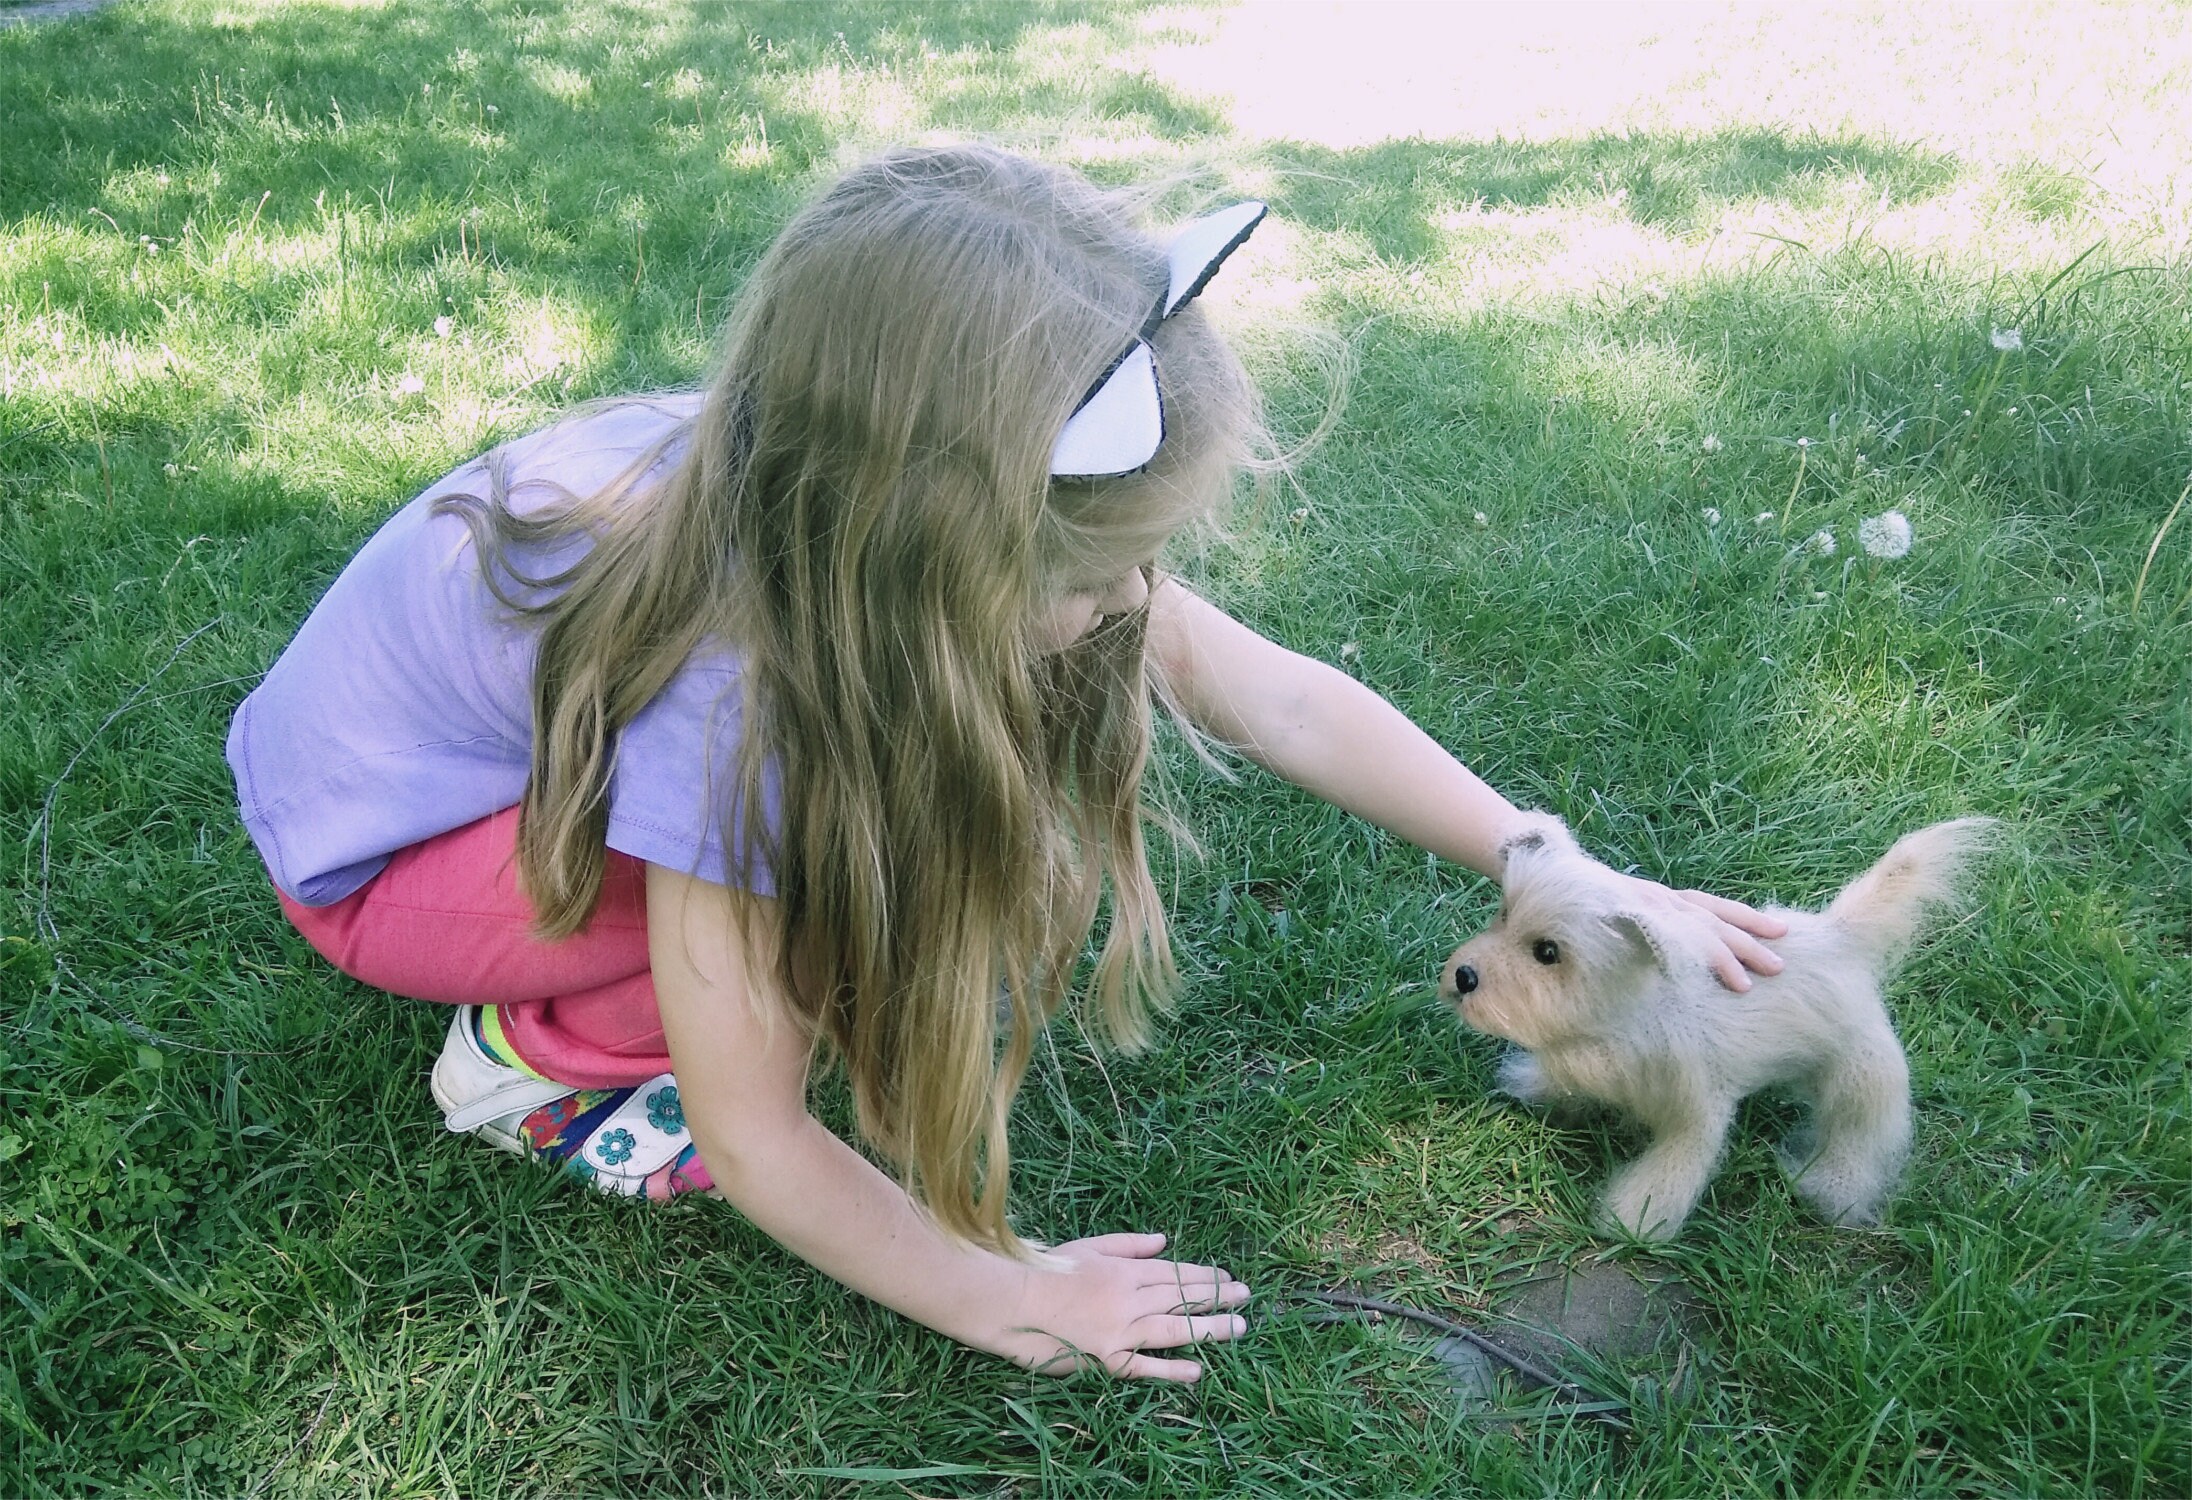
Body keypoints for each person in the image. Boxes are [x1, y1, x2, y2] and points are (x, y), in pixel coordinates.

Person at [227, 145, 1786, 1384]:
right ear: (929, 552)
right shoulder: (738, 712)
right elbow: (763, 1135)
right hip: (390, 859)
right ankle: (539, 1068)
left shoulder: (852, 494)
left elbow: (1282, 702)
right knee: (820, 891)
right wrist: (1002, 1293)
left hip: (493, 775)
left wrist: (1549, 861)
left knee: (854, 852)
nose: (1130, 604)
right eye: (1094, 576)